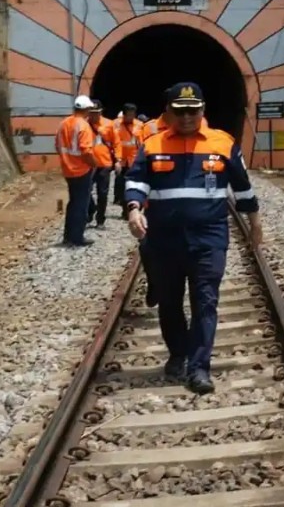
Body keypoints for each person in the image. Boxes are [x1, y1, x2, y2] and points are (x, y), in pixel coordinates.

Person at [124, 82, 262, 394]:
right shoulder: (153, 144)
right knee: (170, 301)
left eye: (193, 111)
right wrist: (134, 209)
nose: (187, 117)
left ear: (203, 110)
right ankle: (178, 353)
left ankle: (199, 368)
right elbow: (136, 180)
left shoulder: (222, 143)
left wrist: (255, 221)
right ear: (168, 112)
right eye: (180, 111)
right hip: (163, 238)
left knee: (205, 301)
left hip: (209, 237)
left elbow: (242, 186)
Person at [55, 96, 98, 246]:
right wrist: (94, 164)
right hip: (81, 170)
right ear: (86, 109)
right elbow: (86, 152)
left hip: (67, 169)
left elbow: (57, 146)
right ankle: (77, 237)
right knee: (81, 204)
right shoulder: (83, 126)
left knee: (73, 202)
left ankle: (68, 235)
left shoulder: (64, 124)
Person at [87, 103, 119, 229]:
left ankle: (100, 220)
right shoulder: (84, 124)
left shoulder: (109, 124)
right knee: (86, 191)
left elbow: (116, 143)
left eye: (97, 112)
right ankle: (91, 209)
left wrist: (118, 160)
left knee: (103, 193)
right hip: (88, 164)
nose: (95, 115)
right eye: (92, 113)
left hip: (104, 164)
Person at [112, 103, 143, 218]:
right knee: (121, 185)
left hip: (134, 160)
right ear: (123, 115)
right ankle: (125, 209)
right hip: (122, 161)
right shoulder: (116, 125)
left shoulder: (139, 125)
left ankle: (131, 209)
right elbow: (116, 143)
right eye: (128, 115)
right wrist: (118, 160)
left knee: (133, 185)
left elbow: (142, 143)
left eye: (132, 115)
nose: (130, 117)